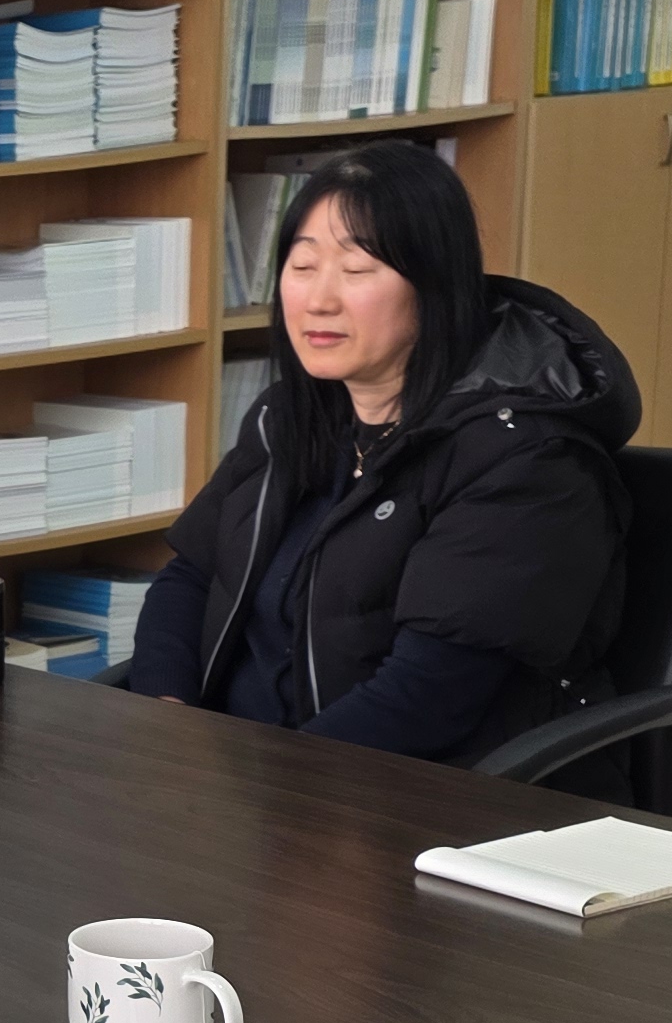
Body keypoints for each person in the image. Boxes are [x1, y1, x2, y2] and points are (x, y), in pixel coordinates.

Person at [129, 138, 635, 759]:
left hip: (407, 791)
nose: (320, 299)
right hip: (243, 773)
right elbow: (191, 578)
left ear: (435, 286)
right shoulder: (290, 419)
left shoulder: (527, 462)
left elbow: (426, 700)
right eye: (303, 266)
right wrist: (167, 721)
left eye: (357, 270)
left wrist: (256, 785)